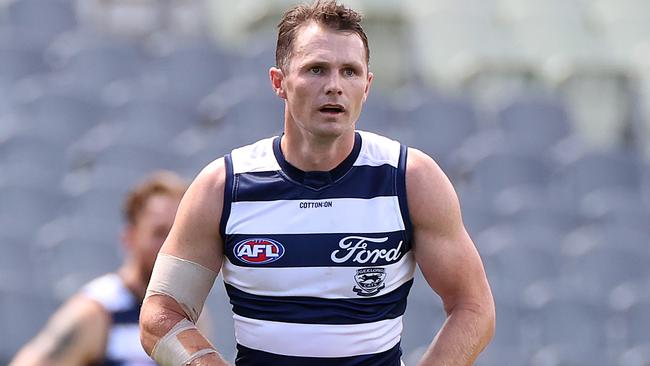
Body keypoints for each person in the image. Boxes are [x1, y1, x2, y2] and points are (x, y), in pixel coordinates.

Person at [139, 1, 496, 365]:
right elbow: (160, 313)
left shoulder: (411, 179)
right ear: (279, 82)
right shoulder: (223, 186)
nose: (335, 86)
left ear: (368, 85)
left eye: (350, 72)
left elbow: (473, 306)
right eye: (316, 70)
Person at [11, 170, 189, 366]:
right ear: (129, 237)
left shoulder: (187, 311)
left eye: (178, 233)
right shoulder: (96, 311)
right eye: (159, 233)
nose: (170, 246)